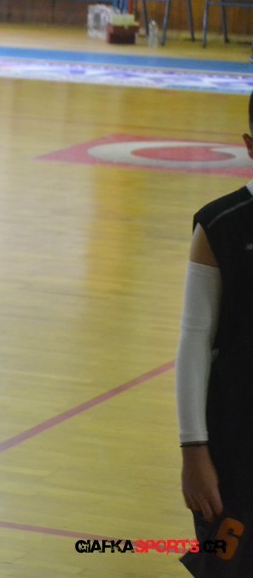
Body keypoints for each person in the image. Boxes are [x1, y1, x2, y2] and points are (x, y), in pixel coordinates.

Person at [176, 90, 253, 577]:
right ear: (250, 145)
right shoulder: (219, 225)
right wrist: (194, 450)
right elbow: (194, 342)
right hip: (235, 439)